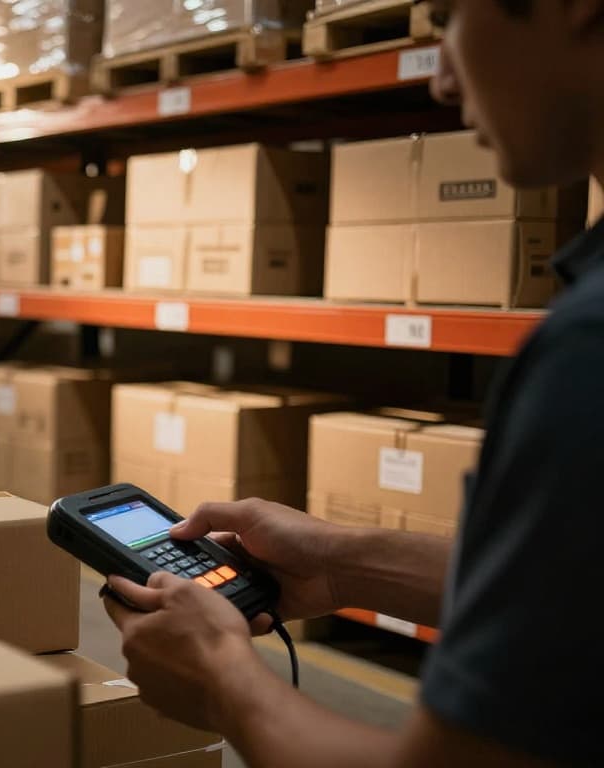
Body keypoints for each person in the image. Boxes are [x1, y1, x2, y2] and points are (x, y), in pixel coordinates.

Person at [103, 1, 602, 765]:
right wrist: (345, 564)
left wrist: (222, 678)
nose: (439, 77)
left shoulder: (586, 350)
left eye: (448, 16)